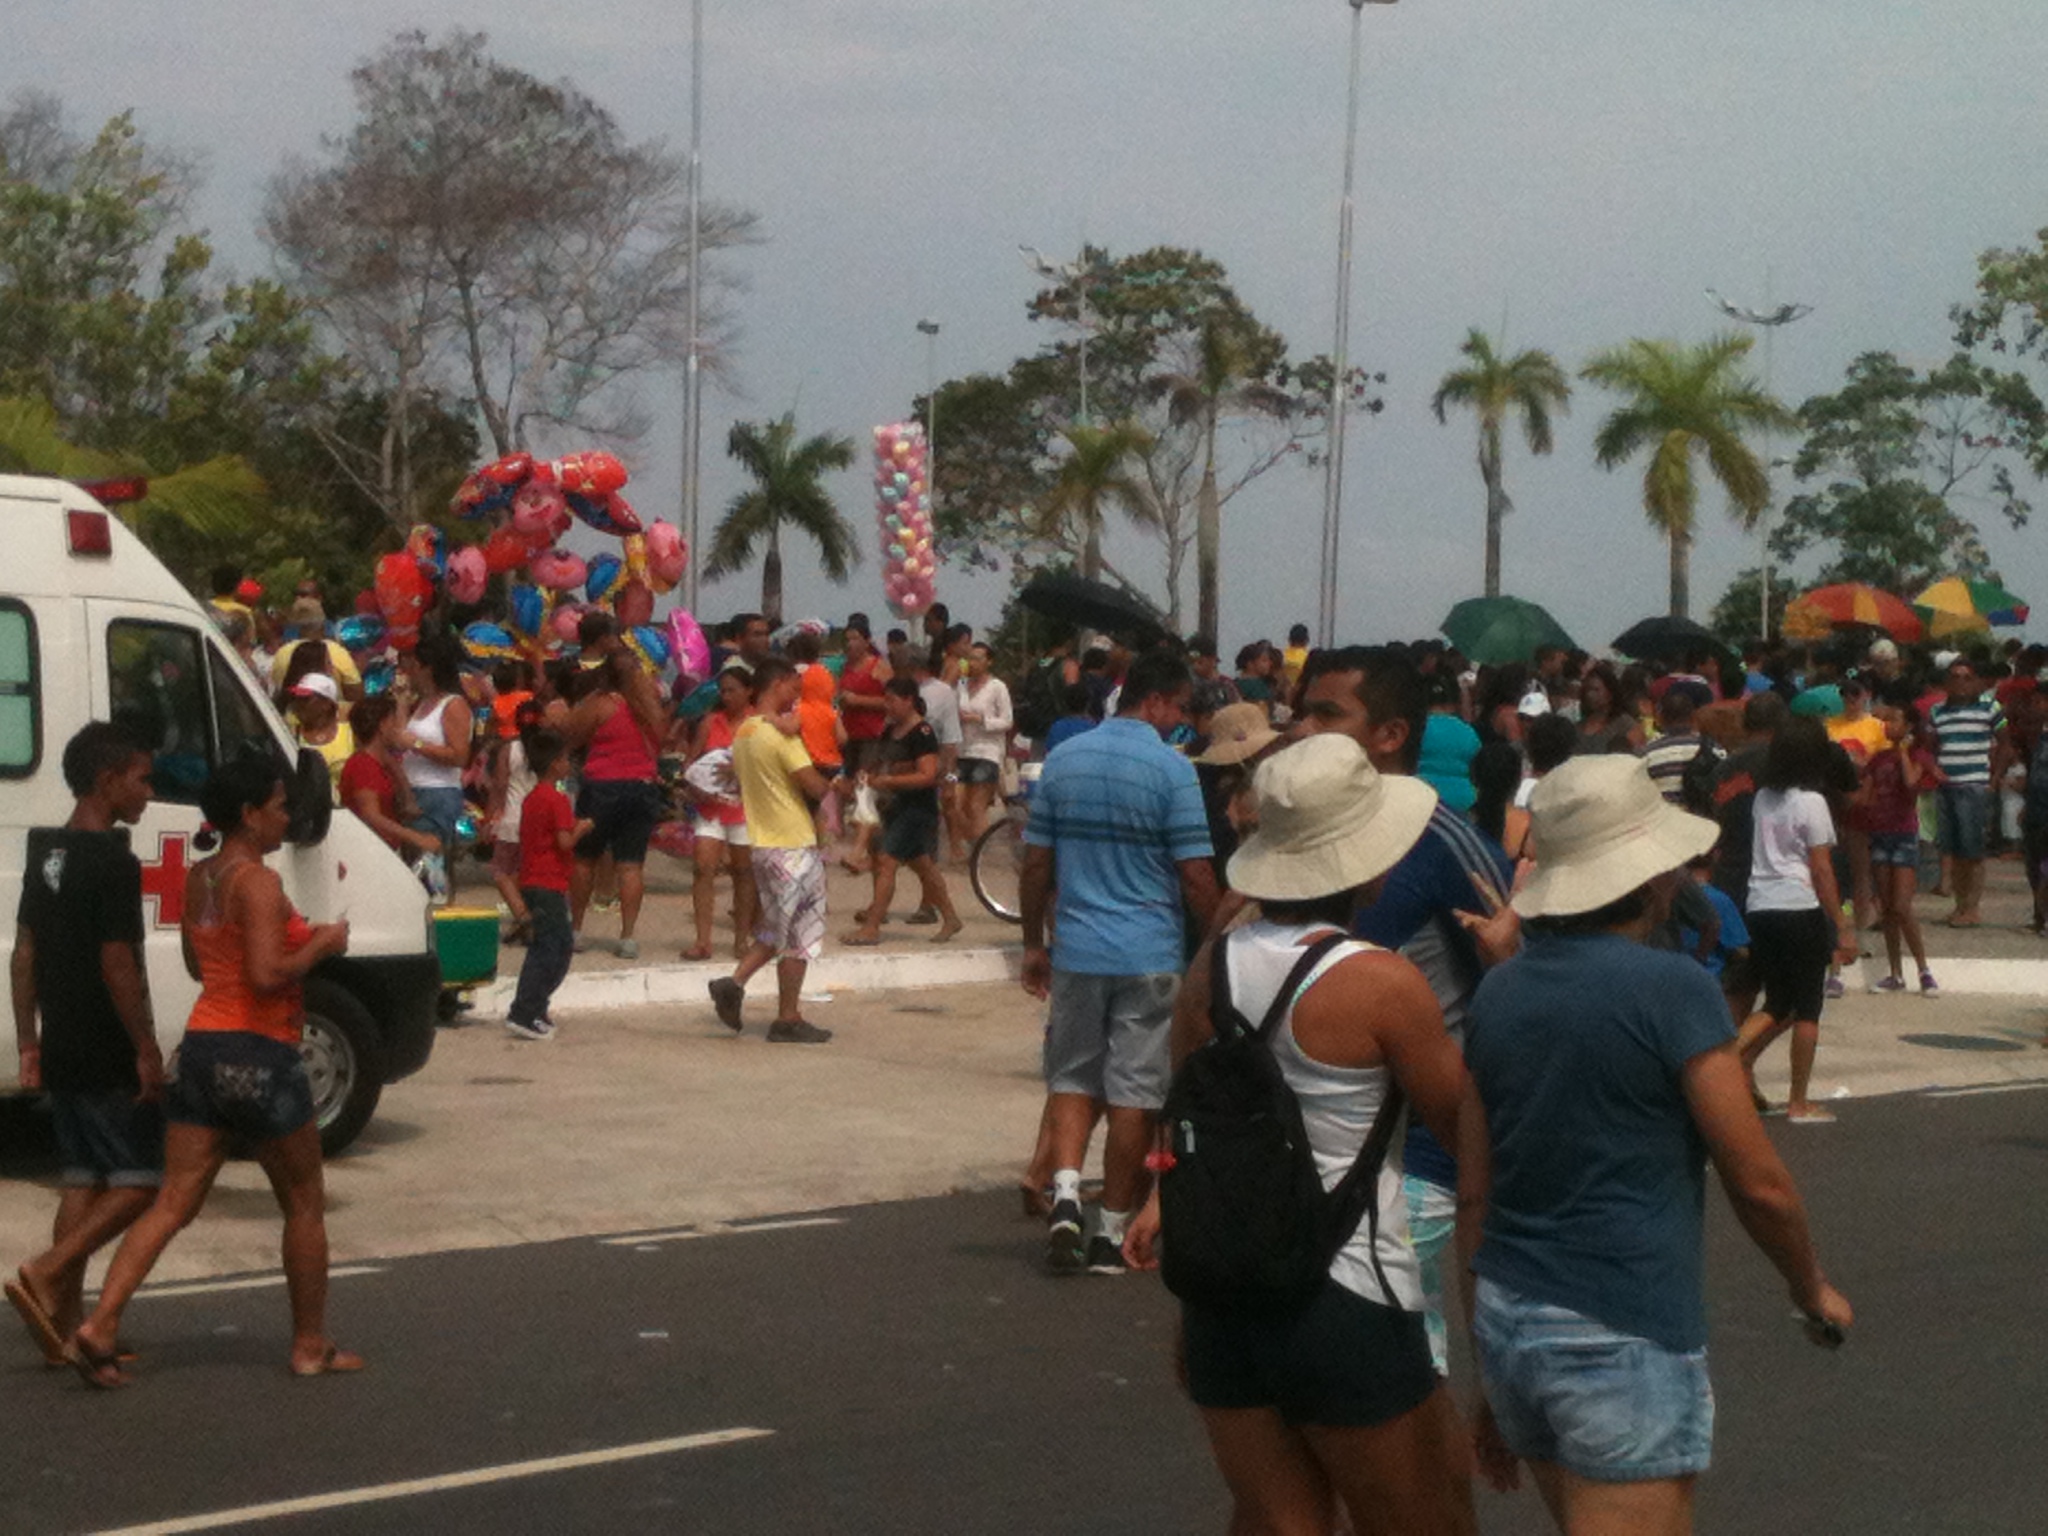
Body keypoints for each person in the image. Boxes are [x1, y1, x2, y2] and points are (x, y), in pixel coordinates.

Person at [1464, 754, 1853, 1531]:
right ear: (1650, 877)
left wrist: (1483, 1378)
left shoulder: (1498, 990)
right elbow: (1758, 1180)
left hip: (1510, 1317)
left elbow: (1477, 1185)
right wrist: (1810, 1288)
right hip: (1618, 1329)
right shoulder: (1671, 990)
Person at [1123, 735, 1485, 1536]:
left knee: (1278, 1523)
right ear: (1368, 867)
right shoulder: (1382, 983)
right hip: (1349, 1292)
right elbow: (1466, 1132)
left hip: (1226, 1295)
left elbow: (1183, 1138)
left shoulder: (1208, 970)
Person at [67, 751, 359, 1386]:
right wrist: (320, 945)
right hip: (260, 1050)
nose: (287, 818)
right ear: (250, 816)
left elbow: (206, 970)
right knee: (304, 1201)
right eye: (279, 807)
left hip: (203, 1049)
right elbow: (264, 975)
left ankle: (102, 1322)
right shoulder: (257, 883)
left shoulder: (200, 877)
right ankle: (310, 1343)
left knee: (173, 1199)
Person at [1294, 645, 1514, 1381]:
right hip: (1306, 1157)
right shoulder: (1296, 837)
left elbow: (1515, 960)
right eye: (1304, 710)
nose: (1302, 728)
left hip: (1415, 1163)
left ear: (1389, 735)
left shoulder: (1442, 839)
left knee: (1402, 1376)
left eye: (1327, 714)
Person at [1020, 650, 1217, 1274]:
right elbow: (1194, 873)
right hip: (1151, 952)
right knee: (1136, 1090)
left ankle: (1068, 1195)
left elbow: (1034, 864)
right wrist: (1216, 943)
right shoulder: (1173, 772)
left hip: (1078, 947)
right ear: (1154, 701)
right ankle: (1109, 1233)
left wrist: (1033, 942)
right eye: (1179, 708)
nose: (1180, 721)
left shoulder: (1064, 761)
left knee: (1074, 1077)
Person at [6, 725, 161, 1367]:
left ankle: (62, 1326)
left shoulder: (48, 853)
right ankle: (47, 1271)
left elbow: (24, 955)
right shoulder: (114, 861)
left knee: (81, 1177)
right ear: (108, 781)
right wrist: (146, 1047)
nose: (148, 793)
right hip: (102, 1040)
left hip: (61, 1036)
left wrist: (29, 1043)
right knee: (140, 1183)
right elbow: (118, 963)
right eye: (142, 779)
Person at [1734, 717, 1857, 1122]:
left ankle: (1730, 1056)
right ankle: (1798, 1101)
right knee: (1807, 1008)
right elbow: (1821, 870)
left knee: (1777, 1002)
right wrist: (1840, 923)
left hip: (1760, 904)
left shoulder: (1762, 798)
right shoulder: (1812, 803)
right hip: (1798, 905)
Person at [707, 658, 834, 1042]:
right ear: (776, 684)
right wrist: (834, 784)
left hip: (762, 840)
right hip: (792, 841)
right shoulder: (782, 737)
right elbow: (814, 786)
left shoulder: (745, 732)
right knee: (799, 932)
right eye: (793, 685)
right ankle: (760, 998)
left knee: (778, 926)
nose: (796, 692)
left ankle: (773, 1006)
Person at [563, 636, 667, 959]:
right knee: (631, 865)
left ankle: (576, 929)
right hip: (642, 787)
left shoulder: (601, 703)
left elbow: (573, 735)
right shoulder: (650, 706)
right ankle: (627, 935)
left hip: (602, 787)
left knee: (585, 859)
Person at [843, 677, 964, 945]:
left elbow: (927, 775)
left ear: (908, 700)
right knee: (923, 866)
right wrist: (867, 774)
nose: (886, 706)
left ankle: (872, 927)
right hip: (893, 807)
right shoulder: (890, 731)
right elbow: (878, 762)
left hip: (916, 810)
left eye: (891, 700)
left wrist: (888, 781)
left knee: (887, 861)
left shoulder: (922, 733)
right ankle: (951, 917)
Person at [504, 731, 593, 1042]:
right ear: (555, 764)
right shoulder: (555, 800)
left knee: (551, 946)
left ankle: (535, 1007)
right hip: (547, 881)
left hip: (535, 879)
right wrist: (581, 827)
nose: (568, 764)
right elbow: (564, 841)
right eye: (565, 758)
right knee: (551, 949)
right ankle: (524, 1011)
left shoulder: (531, 799)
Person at [1859, 694, 1940, 995]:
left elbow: (1911, 784)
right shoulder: (1877, 759)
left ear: (1907, 726)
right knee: (1888, 909)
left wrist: (1903, 751)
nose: (1887, 724)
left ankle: (1923, 968)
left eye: (1894, 719)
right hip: (1880, 832)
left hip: (1904, 834)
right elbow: (1865, 797)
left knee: (1903, 906)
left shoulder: (1918, 756)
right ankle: (1895, 971)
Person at [682, 661, 759, 962]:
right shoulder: (710, 723)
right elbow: (690, 762)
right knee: (703, 868)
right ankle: (703, 940)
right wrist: (694, 784)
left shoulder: (757, 723)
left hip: (744, 807)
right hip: (711, 805)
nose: (726, 696)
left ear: (748, 691)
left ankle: (741, 938)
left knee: (743, 872)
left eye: (732, 690)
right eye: (723, 691)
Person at [1928, 657, 2010, 928]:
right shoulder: (1938, 711)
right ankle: (1959, 905)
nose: (1960, 682)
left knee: (1972, 852)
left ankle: (1972, 907)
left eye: (1966, 677)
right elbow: (1928, 746)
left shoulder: (1989, 707)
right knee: (1952, 850)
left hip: (1974, 786)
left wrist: (1994, 779)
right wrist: (1932, 769)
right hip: (1946, 787)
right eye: (1954, 677)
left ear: (1975, 681)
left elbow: (2005, 744)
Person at [395, 631, 473, 891]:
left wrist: (417, 745)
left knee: (429, 868)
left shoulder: (453, 705)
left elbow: (459, 755)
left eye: (413, 664)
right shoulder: (422, 703)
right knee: (413, 867)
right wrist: (401, 703)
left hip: (438, 792)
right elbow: (399, 737)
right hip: (413, 789)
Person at [338, 697, 442, 863]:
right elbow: (371, 815)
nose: (398, 730)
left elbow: (389, 762)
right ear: (382, 726)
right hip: (368, 854)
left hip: (382, 850)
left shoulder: (378, 762)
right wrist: (416, 838)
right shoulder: (362, 765)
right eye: (394, 722)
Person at [836, 621, 891, 873]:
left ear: (867, 640)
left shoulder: (878, 667)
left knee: (864, 789)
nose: (850, 644)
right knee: (850, 791)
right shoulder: (846, 667)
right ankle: (870, 848)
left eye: (855, 638)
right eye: (847, 639)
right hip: (850, 736)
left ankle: (860, 850)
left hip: (872, 736)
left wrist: (859, 700)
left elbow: (891, 702)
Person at [486, 702, 542, 945]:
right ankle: (522, 922)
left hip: (512, 818)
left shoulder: (509, 750)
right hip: (539, 819)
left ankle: (522, 915)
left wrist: (489, 820)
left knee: (501, 872)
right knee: (524, 874)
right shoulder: (546, 748)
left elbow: (499, 787)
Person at [955, 641, 1014, 852]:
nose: (973, 663)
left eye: (978, 658)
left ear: (989, 662)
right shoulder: (960, 685)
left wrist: (981, 719)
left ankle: (978, 852)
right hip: (962, 751)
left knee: (976, 805)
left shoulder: (997, 687)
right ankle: (975, 841)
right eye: (970, 658)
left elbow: (1007, 721)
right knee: (954, 801)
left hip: (987, 751)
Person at [266, 591, 363, 702]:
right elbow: (356, 695)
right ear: (322, 622)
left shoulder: (282, 653)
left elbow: (277, 686)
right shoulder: (337, 652)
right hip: (327, 715)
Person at [1638, 678, 1722, 804]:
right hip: (1703, 820)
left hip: (1664, 819)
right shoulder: (1713, 748)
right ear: (1693, 717)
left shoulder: (1647, 754)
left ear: (1661, 718)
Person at [287, 673, 353, 799]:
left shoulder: (350, 734)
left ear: (326, 703)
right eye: (297, 698)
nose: (298, 704)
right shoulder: (290, 735)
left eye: (305, 699)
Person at [1574, 662, 1642, 754]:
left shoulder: (1626, 725)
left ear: (1610, 693)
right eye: (1587, 690)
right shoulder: (1578, 728)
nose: (1590, 695)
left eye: (1596, 690)